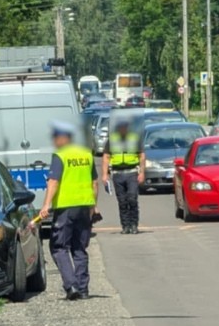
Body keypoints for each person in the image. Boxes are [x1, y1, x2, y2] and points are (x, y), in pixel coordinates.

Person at [39, 121, 99, 301]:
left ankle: (71, 285)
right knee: (79, 247)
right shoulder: (86, 155)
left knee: (59, 247)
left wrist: (46, 205)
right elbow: (94, 183)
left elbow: (53, 182)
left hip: (65, 207)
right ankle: (83, 289)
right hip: (84, 207)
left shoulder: (60, 156)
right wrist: (93, 206)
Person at [102, 118, 144, 234]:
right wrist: (104, 174)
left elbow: (141, 156)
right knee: (122, 201)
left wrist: (142, 173)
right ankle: (125, 226)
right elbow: (106, 157)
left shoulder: (134, 139)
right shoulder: (112, 140)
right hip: (117, 174)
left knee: (132, 198)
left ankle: (134, 225)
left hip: (132, 173)